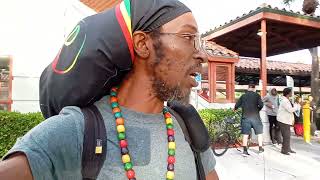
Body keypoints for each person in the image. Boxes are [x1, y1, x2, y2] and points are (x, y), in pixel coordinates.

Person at [0, 0, 219, 180]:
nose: (202, 55)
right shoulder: (75, 130)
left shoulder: (188, 127)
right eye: (188, 38)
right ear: (143, 44)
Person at [234, 83, 264, 156]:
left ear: (248, 88)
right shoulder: (257, 95)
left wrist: (235, 109)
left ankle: (244, 151)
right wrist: (258, 109)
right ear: (254, 88)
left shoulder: (243, 96)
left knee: (245, 134)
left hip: (245, 117)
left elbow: (236, 105)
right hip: (255, 117)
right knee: (259, 133)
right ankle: (260, 149)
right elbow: (261, 105)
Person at [277, 88, 300, 155]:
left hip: (285, 120)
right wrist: (298, 106)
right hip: (283, 120)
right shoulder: (285, 101)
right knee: (286, 136)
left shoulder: (286, 100)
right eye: (291, 92)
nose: (291, 94)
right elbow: (290, 110)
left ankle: (287, 148)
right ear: (288, 93)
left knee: (287, 135)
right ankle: (284, 150)